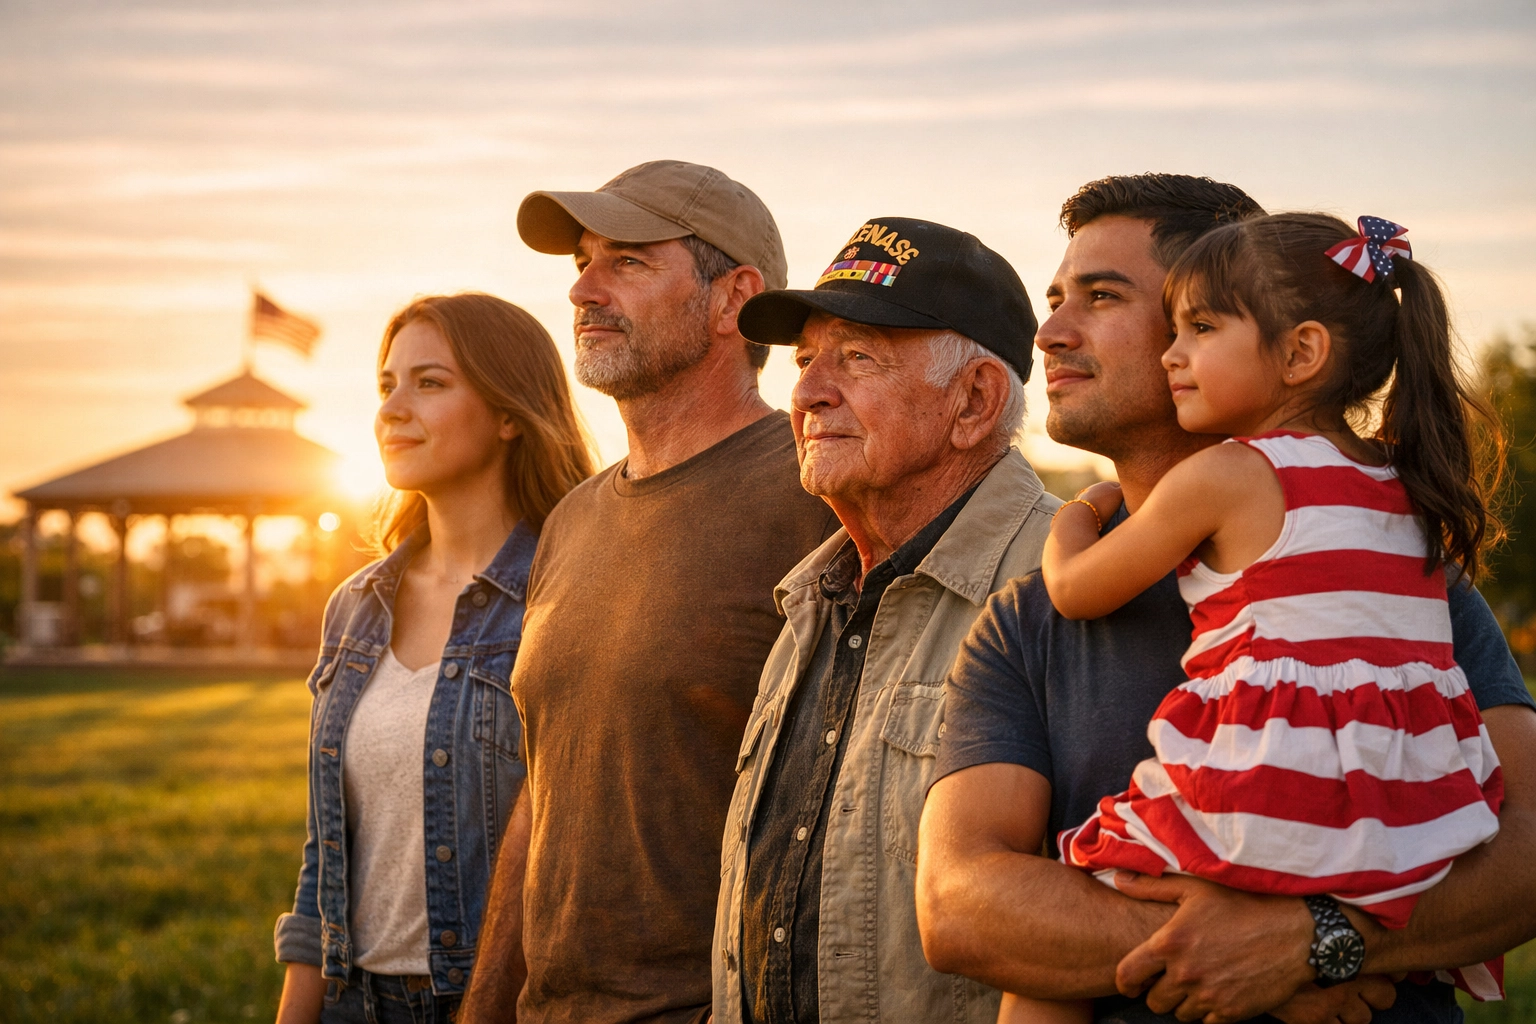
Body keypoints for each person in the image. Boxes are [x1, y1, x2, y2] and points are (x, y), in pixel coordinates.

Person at [917, 175, 1536, 1024]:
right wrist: (1288, 952)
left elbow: (1530, 851)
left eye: (1102, 297)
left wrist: (1317, 940)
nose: (1050, 331)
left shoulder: (1402, 579)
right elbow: (960, 909)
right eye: (1056, 297)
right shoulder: (1024, 625)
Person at [458, 160, 839, 1024]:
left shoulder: (821, 494)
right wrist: (484, 1005)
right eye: (582, 262)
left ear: (733, 298)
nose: (584, 291)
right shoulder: (573, 519)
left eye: (627, 262)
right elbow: (545, 783)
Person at [711, 216, 1060, 1024]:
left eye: (857, 357)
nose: (806, 392)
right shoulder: (810, 602)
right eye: (805, 361)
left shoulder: (1059, 587)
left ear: (974, 401)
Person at [273, 293, 594, 1024]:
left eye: (429, 382)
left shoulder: (568, 596)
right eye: (385, 385)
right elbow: (325, 855)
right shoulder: (355, 607)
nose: (391, 408)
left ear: (510, 414)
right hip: (350, 1001)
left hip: (497, 1004)